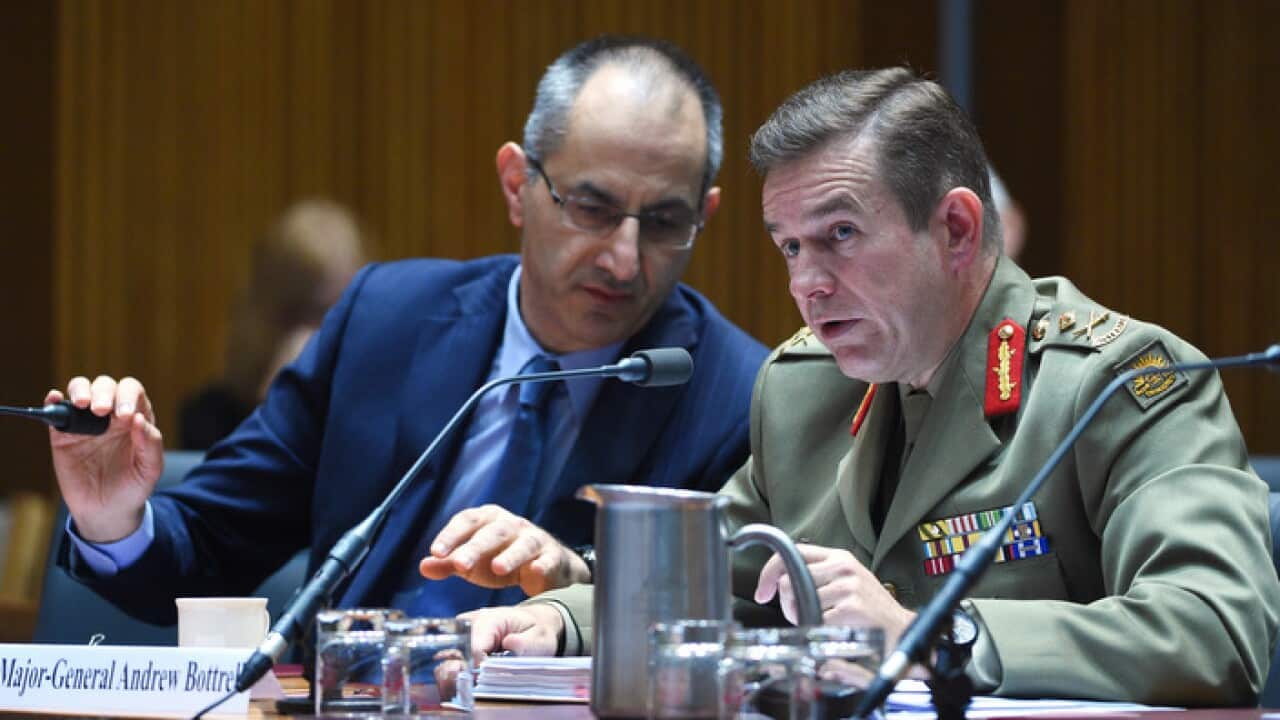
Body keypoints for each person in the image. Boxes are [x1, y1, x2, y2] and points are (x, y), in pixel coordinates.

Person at [467, 68, 1279, 706]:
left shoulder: (1116, 386)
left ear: (955, 230)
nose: (807, 285)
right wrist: (561, 622)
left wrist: (930, 634)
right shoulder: (803, 393)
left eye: (840, 236)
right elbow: (718, 586)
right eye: (789, 247)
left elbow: (1214, 631)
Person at [45, 36, 767, 624]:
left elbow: (727, 634)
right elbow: (208, 548)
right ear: (518, 186)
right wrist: (116, 520)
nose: (623, 257)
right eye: (592, 206)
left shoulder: (736, 398)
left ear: (705, 214)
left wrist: (581, 581)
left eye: (666, 221)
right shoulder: (387, 320)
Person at [179, 198, 369, 450]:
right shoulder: (210, 416)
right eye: (306, 312)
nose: (325, 334)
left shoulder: (383, 406)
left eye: (343, 312)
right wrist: (276, 410)